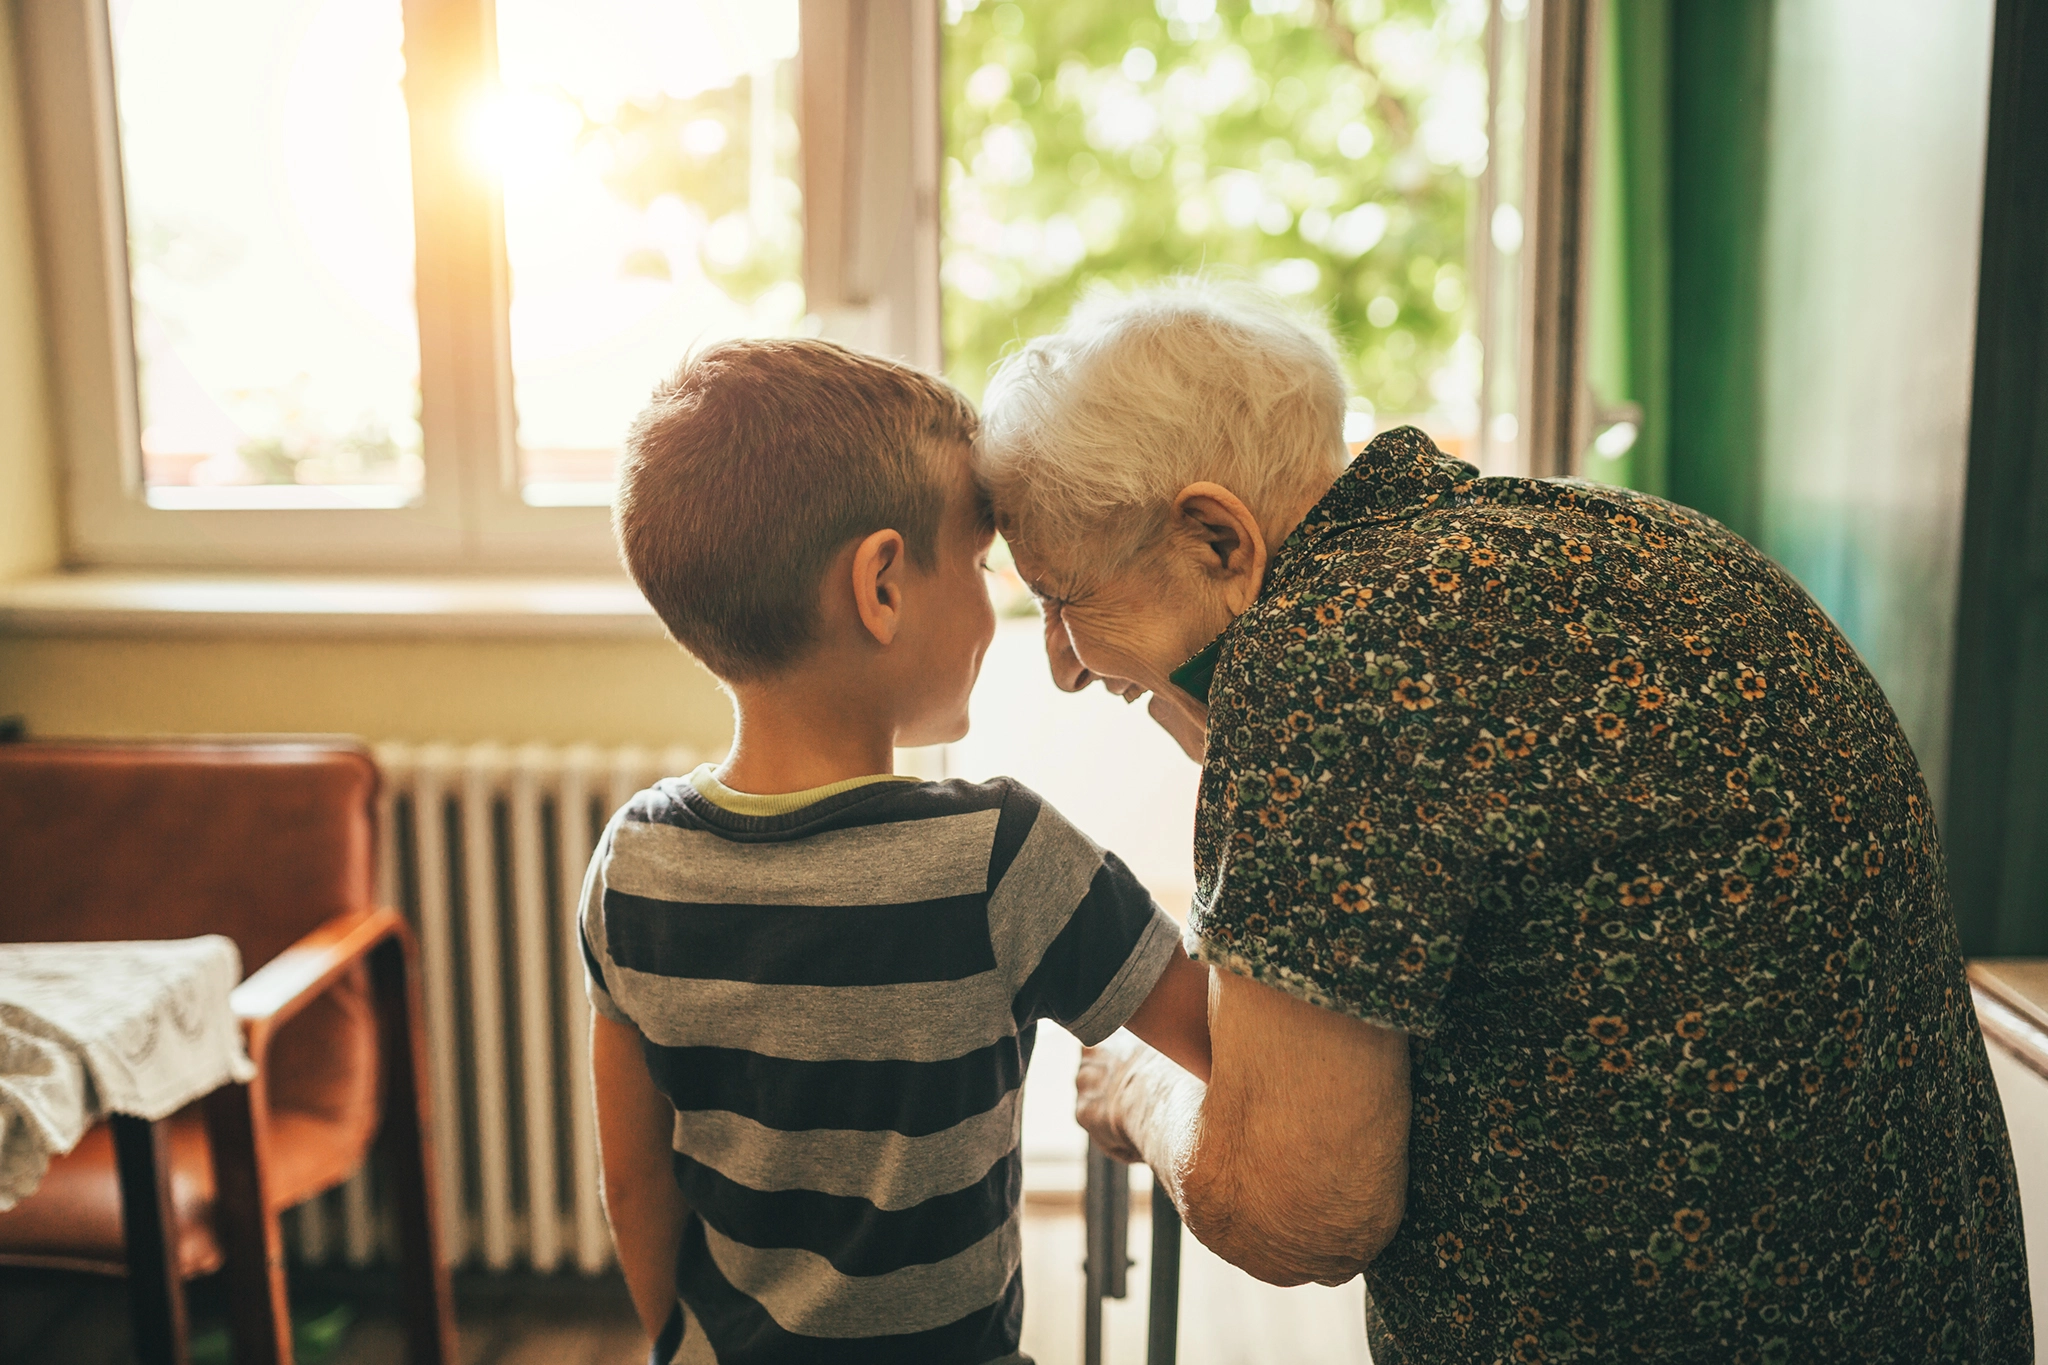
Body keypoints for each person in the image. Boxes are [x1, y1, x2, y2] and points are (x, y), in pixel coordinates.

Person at [974, 281, 2031, 1362]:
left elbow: (1297, 1207)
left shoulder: (1328, 654)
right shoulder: (1629, 537)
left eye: (1061, 597)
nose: (1062, 664)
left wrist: (1140, 1087)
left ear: (1216, 540)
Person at [581, 338, 1211, 1365]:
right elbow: (1223, 1036)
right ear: (881, 585)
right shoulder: (1003, 858)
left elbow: (634, 1177)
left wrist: (676, 1343)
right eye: (979, 562)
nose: (998, 601)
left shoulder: (634, 865)